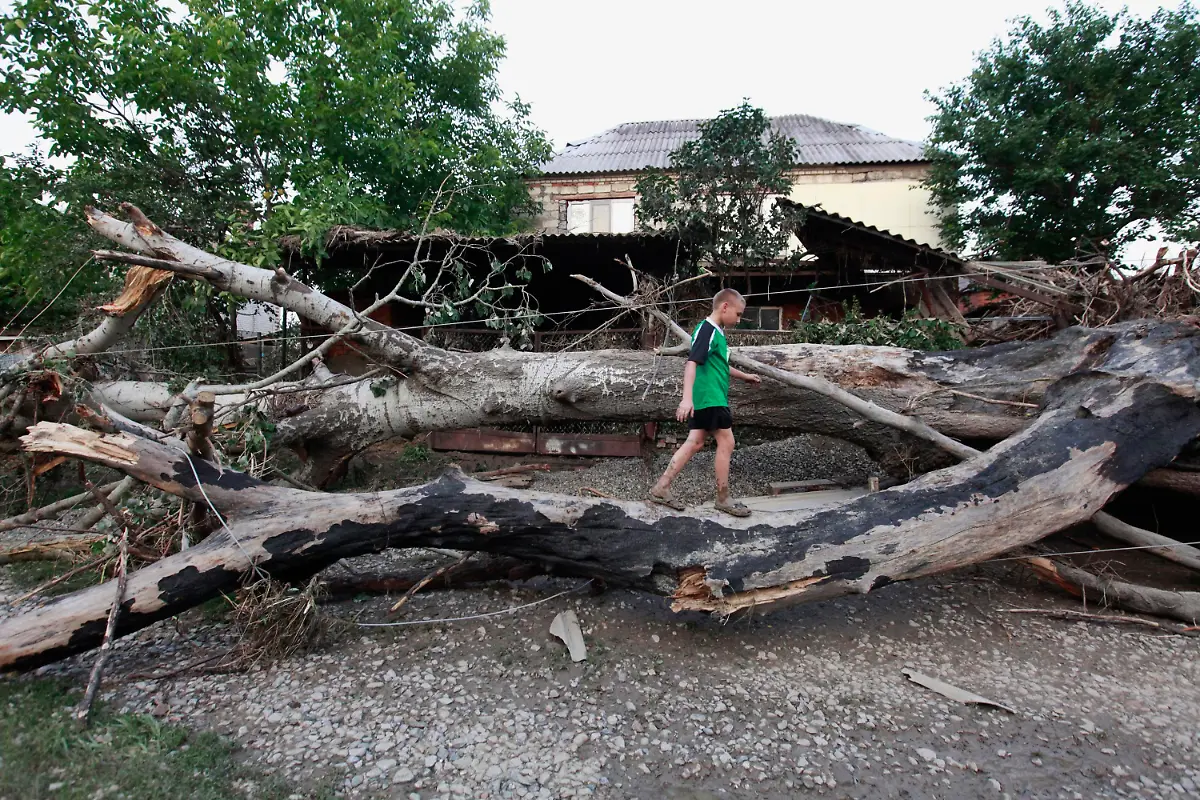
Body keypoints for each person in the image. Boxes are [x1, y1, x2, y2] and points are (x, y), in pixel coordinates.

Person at [649, 288, 761, 517]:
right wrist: (686, 399)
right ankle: (723, 498)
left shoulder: (716, 333)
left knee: (695, 442)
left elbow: (720, 365)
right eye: (738, 314)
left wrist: (745, 376)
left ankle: (661, 487)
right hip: (710, 398)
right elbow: (691, 363)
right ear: (725, 307)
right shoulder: (707, 329)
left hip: (710, 397)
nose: (739, 320)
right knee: (727, 442)